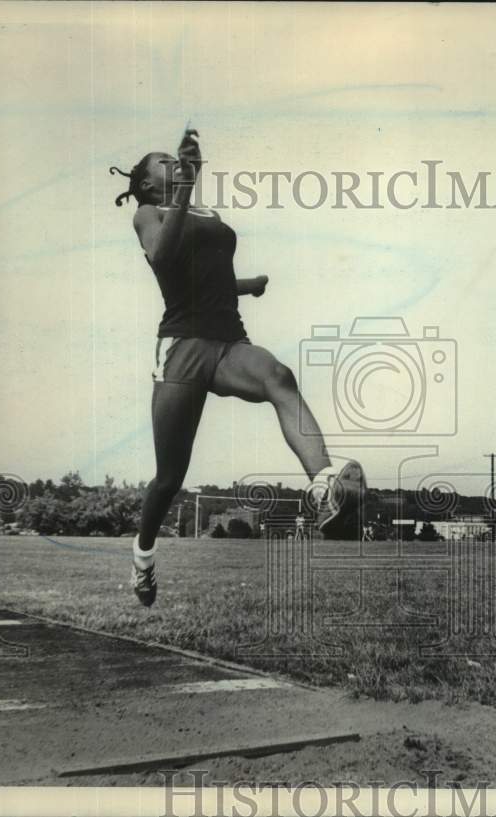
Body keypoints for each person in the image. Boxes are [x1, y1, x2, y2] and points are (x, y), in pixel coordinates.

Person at [110, 128, 365, 607]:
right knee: (170, 477)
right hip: (183, 346)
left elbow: (213, 280)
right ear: (146, 184)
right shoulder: (149, 214)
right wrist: (188, 185)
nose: (171, 165)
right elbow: (164, 259)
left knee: (279, 377)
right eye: (162, 163)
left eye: (175, 160)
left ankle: (323, 485)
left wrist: (250, 285)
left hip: (229, 341)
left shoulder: (208, 213)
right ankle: (142, 560)